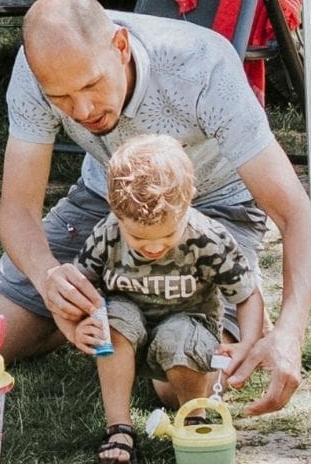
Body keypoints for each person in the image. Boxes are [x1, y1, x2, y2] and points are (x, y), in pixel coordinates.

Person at [0, 0, 311, 417]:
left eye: (91, 84)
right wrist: (48, 277)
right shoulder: (36, 69)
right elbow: (17, 208)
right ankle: (113, 304)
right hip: (108, 198)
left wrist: (291, 333)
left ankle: (216, 300)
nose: (83, 109)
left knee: (177, 385)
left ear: (121, 46)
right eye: (61, 97)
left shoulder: (201, 65)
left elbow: (296, 214)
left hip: (212, 203)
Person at [75, 135, 262, 463]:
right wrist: (79, 325)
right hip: (128, 331)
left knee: (178, 337)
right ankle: (118, 428)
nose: (153, 247)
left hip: (187, 330)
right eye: (138, 238)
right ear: (114, 208)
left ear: (189, 201)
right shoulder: (107, 234)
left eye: (167, 235)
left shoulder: (208, 238)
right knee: (112, 318)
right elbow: (79, 288)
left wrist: (246, 343)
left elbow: (247, 295)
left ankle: (193, 419)